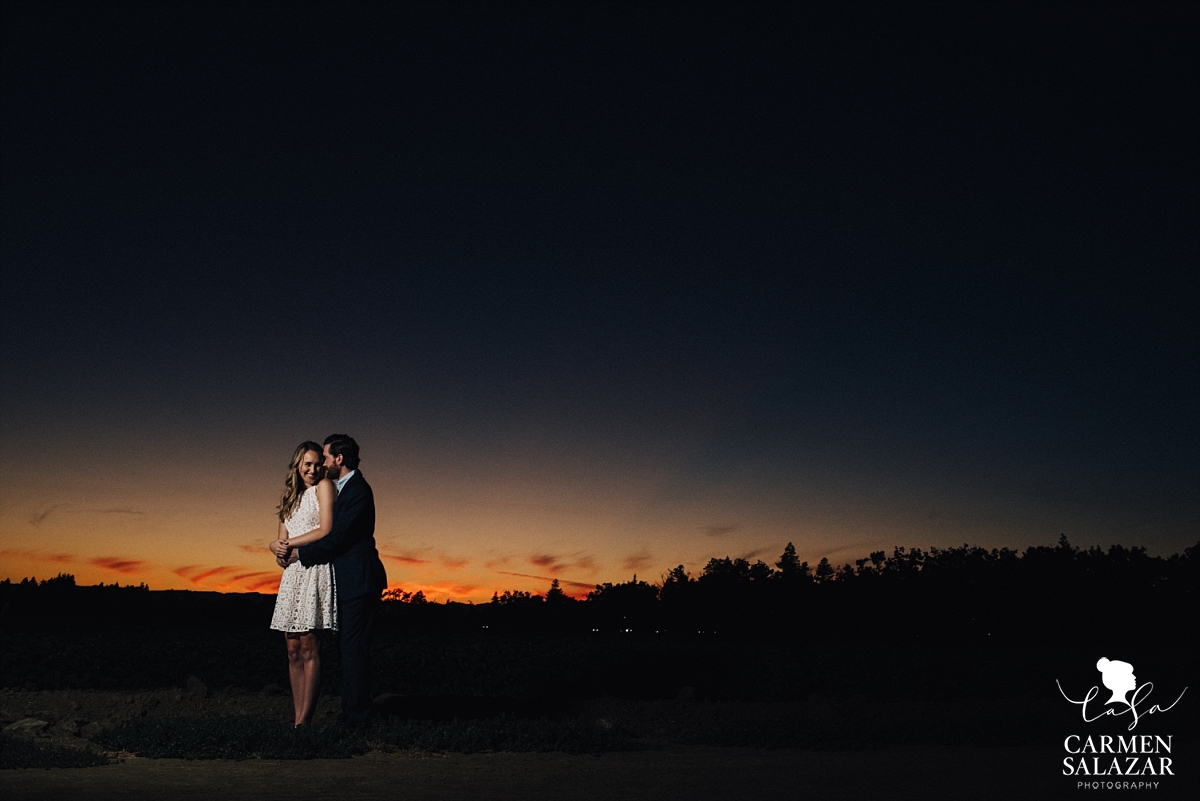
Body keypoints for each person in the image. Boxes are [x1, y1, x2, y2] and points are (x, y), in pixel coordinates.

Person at [271, 434, 387, 728]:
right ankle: (352, 715)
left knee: (353, 651)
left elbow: (336, 536)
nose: (319, 465)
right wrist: (277, 547)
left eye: (323, 458)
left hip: (359, 580)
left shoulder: (357, 489)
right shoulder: (340, 487)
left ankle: (355, 720)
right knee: (347, 651)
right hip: (345, 579)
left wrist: (297, 553)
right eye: (311, 461)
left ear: (339, 459)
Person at [269, 441, 337, 726]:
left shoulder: (324, 487)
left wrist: (284, 544)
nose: (312, 469)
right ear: (297, 466)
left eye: (317, 463)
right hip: (292, 576)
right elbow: (280, 546)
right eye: (306, 464)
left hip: (315, 570)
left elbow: (325, 529)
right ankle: (296, 719)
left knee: (310, 648)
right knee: (292, 649)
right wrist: (275, 548)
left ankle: (304, 723)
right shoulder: (289, 498)